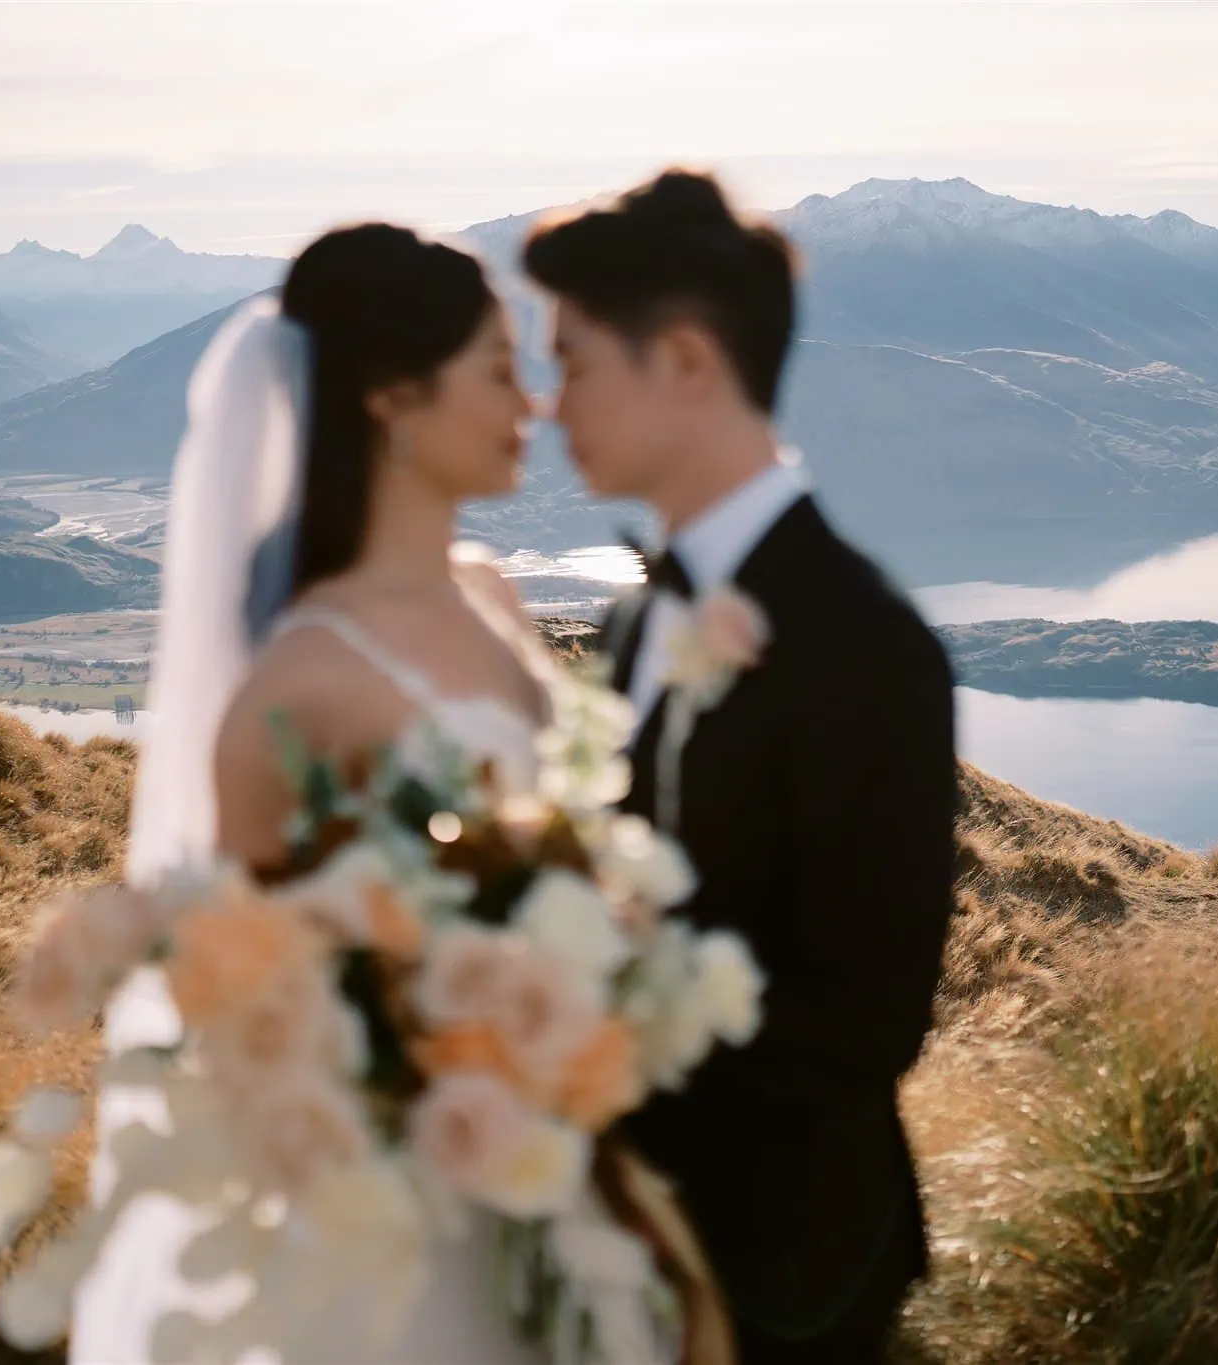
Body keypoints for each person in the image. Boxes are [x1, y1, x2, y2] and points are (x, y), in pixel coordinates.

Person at [72, 223, 553, 1364]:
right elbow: (235, 1007)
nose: (528, 406)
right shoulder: (298, 686)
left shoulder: (492, 595)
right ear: (392, 398)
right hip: (402, 1210)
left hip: (550, 1154)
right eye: (496, 371)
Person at [525, 169, 958, 1364]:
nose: (548, 405)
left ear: (682, 362)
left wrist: (607, 1062)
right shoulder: (628, 623)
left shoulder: (866, 645)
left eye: (571, 362)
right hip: (616, 1238)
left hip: (787, 1272)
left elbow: (867, 1020)